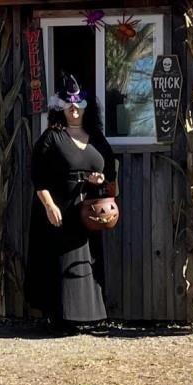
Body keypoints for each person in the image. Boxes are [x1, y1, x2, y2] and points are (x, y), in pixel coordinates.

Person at [26, 75, 118, 332]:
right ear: (61, 107)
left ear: (86, 107)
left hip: (89, 211)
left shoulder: (97, 138)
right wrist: (49, 205)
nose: (74, 109)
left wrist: (100, 180)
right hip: (61, 209)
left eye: (78, 104)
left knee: (87, 260)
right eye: (69, 105)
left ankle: (89, 316)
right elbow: (38, 176)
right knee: (61, 262)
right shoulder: (51, 137)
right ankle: (60, 317)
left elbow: (110, 173)